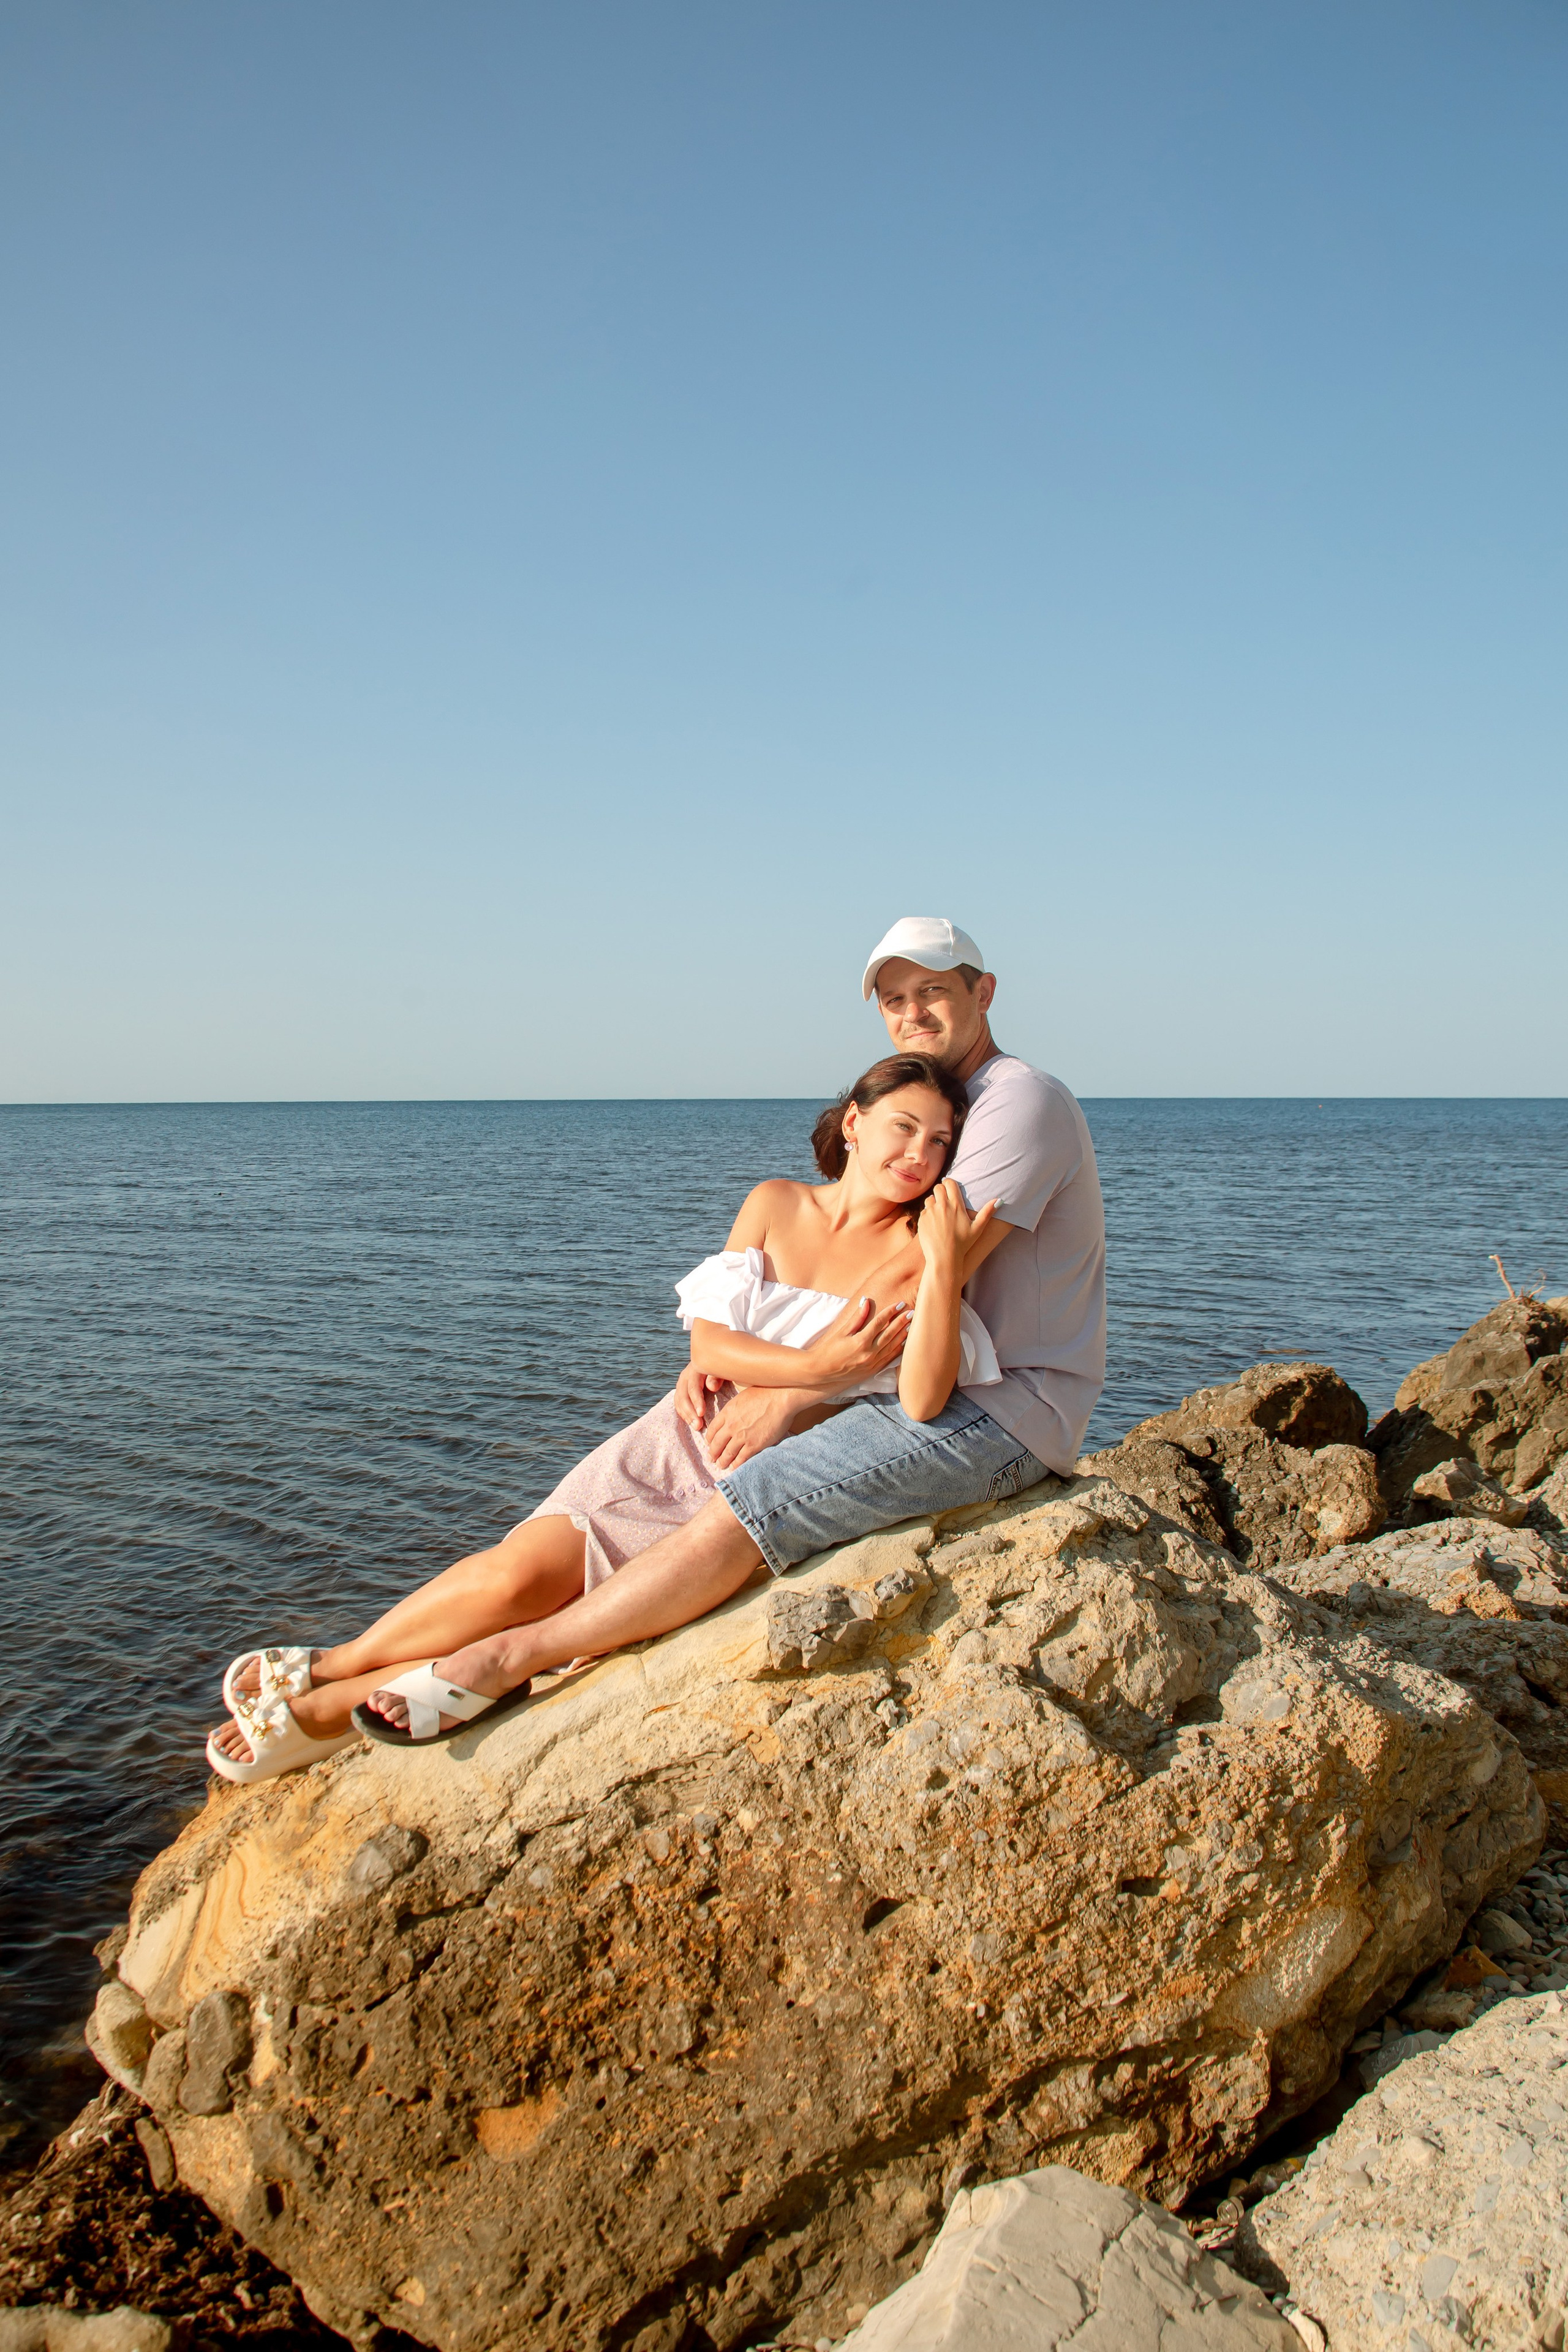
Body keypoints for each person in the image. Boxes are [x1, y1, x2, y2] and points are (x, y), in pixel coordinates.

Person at [211, 916, 1106, 1772]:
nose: (914, 1013)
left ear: (984, 992)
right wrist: (733, 1362)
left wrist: (792, 1392)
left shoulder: (1016, 1098)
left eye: (934, 992)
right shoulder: (840, 1170)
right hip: (879, 1386)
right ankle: (336, 1673)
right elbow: (760, 1304)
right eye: (895, 999)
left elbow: (922, 1276)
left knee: (755, 1498)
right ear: (858, 1119)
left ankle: (498, 1664)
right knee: (540, 1554)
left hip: (1001, 1410)